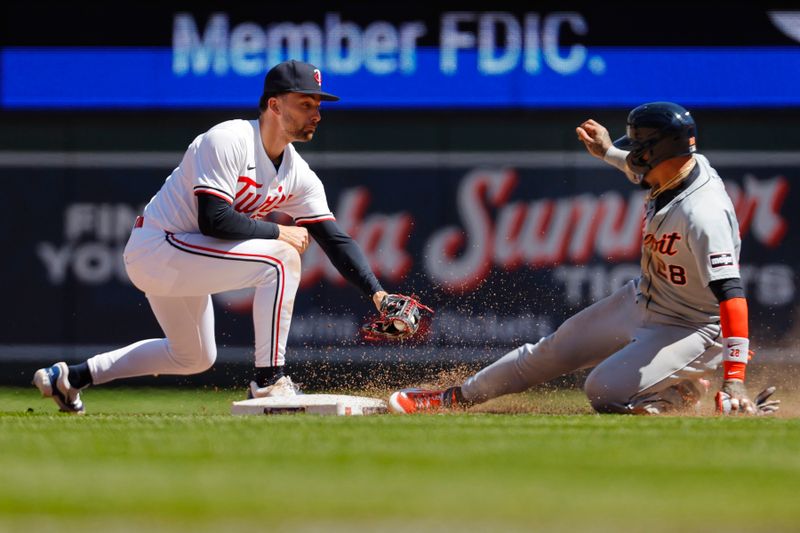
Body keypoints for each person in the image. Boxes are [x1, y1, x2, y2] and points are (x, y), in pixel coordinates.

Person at [33, 59, 391, 413]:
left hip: (187, 257)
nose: (316, 114)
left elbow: (335, 240)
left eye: (317, 106)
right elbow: (213, 220)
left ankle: (71, 378)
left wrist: (378, 294)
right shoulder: (229, 139)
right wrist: (278, 230)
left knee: (194, 356)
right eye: (306, 103)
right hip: (158, 247)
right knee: (281, 259)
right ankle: (268, 381)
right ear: (274, 105)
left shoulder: (298, 173)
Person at [389, 101, 778, 416]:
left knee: (603, 391)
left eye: (639, 145)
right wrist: (609, 152)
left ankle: (675, 392)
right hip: (644, 299)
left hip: (693, 326)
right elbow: (642, 170)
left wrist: (735, 377)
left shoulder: (703, 213)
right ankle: (453, 398)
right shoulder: (674, 169)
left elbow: (731, 293)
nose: (634, 152)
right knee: (549, 352)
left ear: (658, 150)